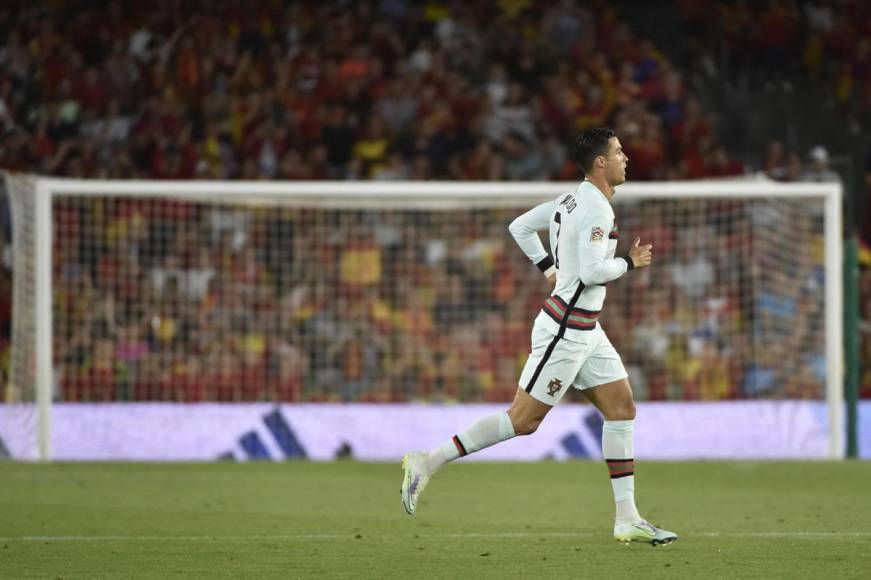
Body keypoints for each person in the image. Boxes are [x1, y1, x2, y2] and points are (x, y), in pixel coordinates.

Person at [400, 127, 678, 546]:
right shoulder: (596, 209)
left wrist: (548, 268)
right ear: (600, 162)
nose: (627, 158)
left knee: (621, 408)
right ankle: (428, 461)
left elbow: (520, 227)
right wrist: (630, 262)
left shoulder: (571, 200)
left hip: (588, 328)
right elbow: (591, 273)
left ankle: (627, 518)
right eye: (619, 152)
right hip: (565, 330)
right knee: (522, 420)